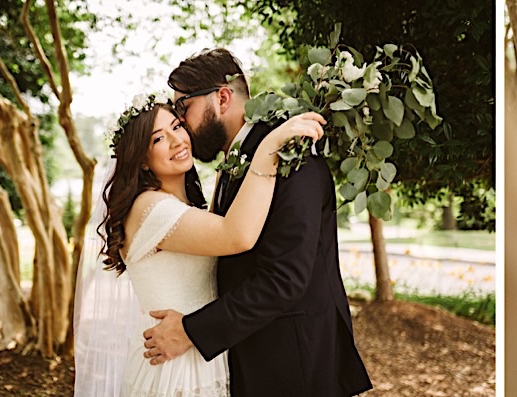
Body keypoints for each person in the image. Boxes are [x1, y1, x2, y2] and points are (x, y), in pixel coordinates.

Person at [140, 48, 373, 396]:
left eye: (183, 107)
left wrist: (191, 331)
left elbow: (284, 279)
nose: (181, 121)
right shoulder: (245, 158)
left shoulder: (290, 156)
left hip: (294, 366)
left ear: (221, 98)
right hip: (253, 360)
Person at [72, 91, 325, 396]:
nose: (177, 140)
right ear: (141, 161)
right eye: (158, 139)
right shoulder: (150, 209)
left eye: (177, 127)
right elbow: (238, 236)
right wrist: (270, 147)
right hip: (175, 372)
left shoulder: (186, 207)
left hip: (202, 356)